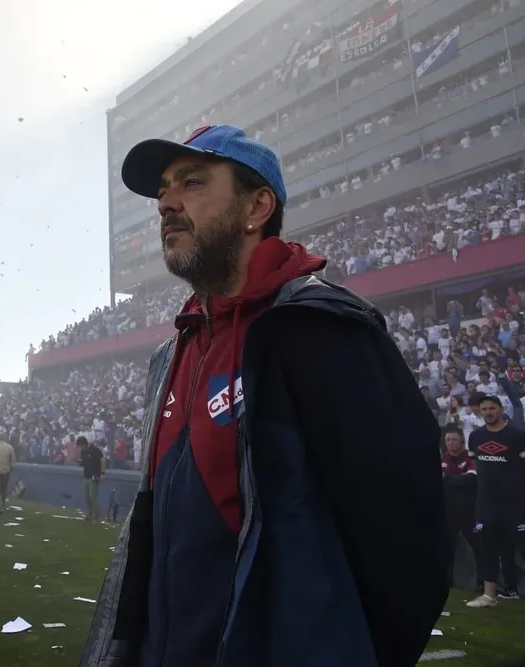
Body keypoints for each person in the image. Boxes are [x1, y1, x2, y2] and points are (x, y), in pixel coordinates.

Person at [81, 125, 447, 667]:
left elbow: (408, 543)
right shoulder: (171, 354)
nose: (166, 204)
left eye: (193, 183)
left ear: (257, 206)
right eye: (163, 189)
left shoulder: (320, 332)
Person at [465, 395, 525, 607]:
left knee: (521, 545)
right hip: (487, 502)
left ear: (500, 409)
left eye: (492, 408)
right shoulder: (475, 437)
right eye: (484, 409)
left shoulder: (517, 435)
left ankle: (512, 590)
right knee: (488, 547)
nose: (488, 412)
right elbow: (477, 465)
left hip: (515, 502)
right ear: (479, 412)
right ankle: (489, 595)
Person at [441, 425, 482, 589]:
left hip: (469, 512)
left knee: (478, 547)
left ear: (462, 442)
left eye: (454, 440)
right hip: (448, 512)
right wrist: (457, 480)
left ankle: (483, 582)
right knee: (447, 549)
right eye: (448, 440)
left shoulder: (471, 459)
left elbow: (471, 480)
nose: (451, 443)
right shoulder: (442, 458)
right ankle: (447, 583)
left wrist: (447, 478)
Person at [77, 436, 105, 522]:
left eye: (81, 445)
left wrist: (102, 472)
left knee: (93, 497)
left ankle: (96, 515)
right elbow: (84, 463)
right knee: (87, 497)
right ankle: (89, 514)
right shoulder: (83, 452)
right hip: (86, 475)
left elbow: (102, 460)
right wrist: (79, 462)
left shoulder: (95, 450)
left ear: (84, 444)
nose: (81, 448)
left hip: (94, 475)